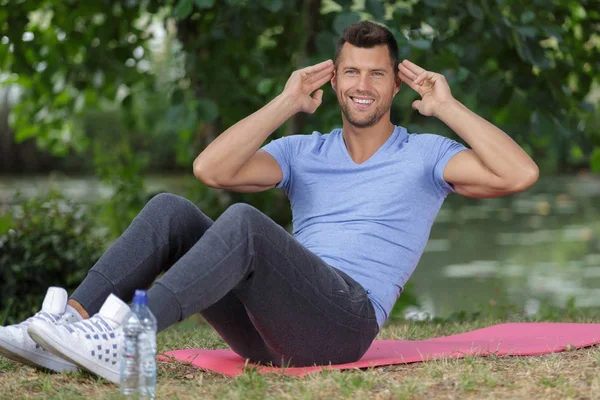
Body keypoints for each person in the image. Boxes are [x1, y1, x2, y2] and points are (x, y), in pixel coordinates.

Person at [0, 21, 538, 383]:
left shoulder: (426, 154)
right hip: (268, 330)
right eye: (352, 71)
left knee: (246, 225)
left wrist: (447, 107)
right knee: (171, 209)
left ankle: (129, 340)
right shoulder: (304, 150)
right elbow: (211, 170)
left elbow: (520, 173)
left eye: (377, 73)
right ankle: (65, 324)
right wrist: (285, 102)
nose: (363, 84)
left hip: (344, 324)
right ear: (335, 77)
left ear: (396, 84)